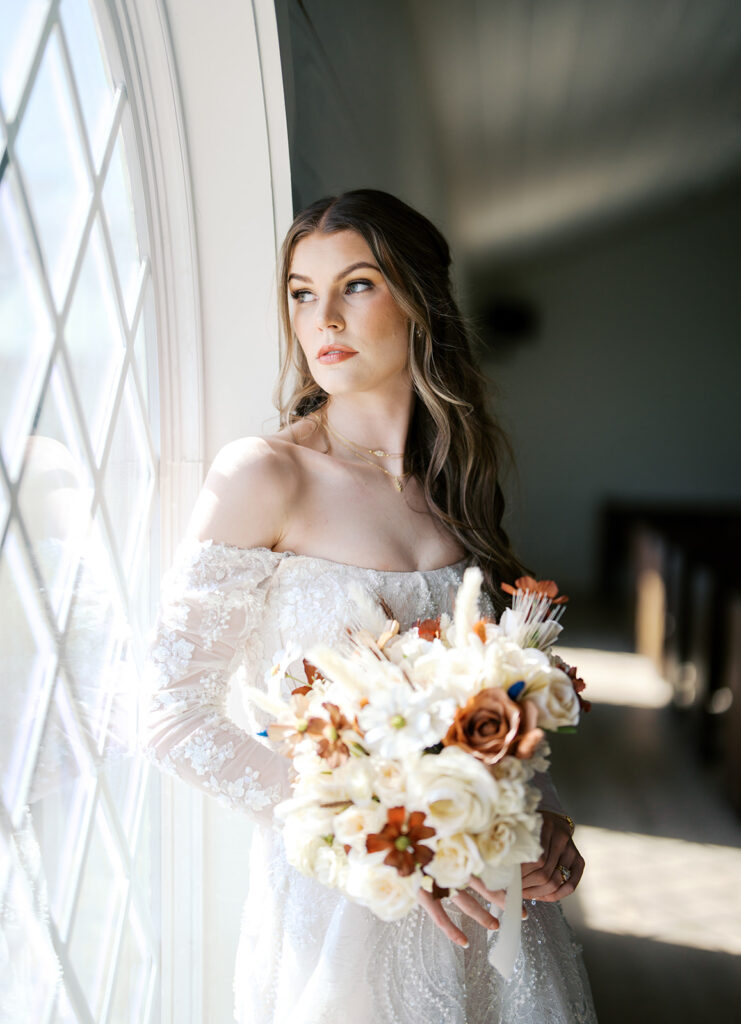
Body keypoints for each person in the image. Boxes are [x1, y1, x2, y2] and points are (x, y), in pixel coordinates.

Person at [143, 189, 597, 1023]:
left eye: (356, 285)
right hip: (343, 902)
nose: (323, 319)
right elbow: (169, 713)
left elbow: (487, 706)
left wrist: (545, 821)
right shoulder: (265, 475)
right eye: (301, 292)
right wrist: (381, 833)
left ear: (420, 302)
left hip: (490, 893)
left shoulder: (455, 481)